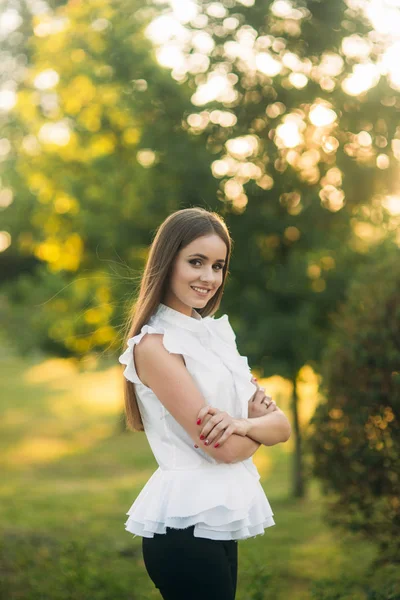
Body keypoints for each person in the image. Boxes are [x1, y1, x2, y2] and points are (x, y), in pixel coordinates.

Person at [119, 207, 291, 600]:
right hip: (183, 530)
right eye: (196, 262)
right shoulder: (154, 346)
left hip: (215, 522)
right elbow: (226, 449)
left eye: (218, 266)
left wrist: (244, 425)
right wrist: (248, 425)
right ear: (168, 261)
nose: (208, 277)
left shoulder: (214, 336)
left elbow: (282, 426)